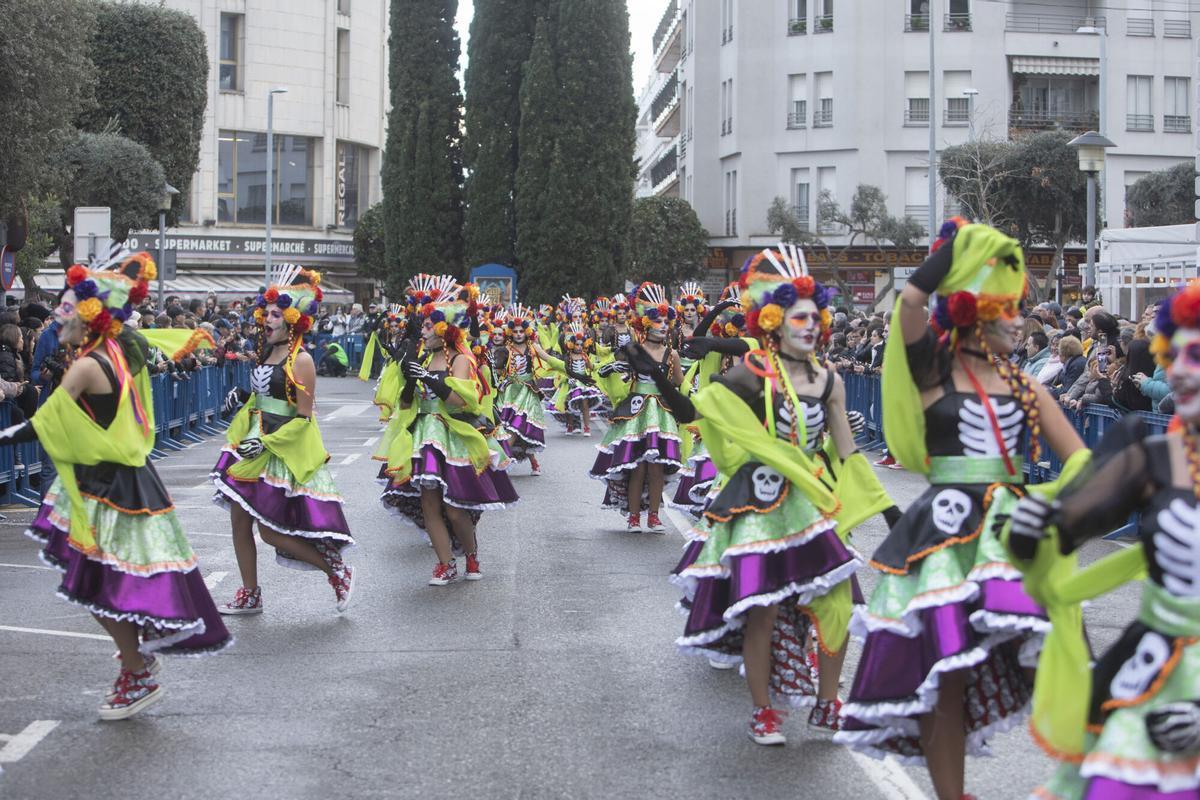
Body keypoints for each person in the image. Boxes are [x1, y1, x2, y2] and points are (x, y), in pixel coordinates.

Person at [836, 220, 1085, 800]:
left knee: (1051, 655)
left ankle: (1079, 775)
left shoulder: (1027, 387)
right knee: (944, 672)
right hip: (944, 531)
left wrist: (1047, 506)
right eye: (1010, 308)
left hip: (1013, 531)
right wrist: (953, 255)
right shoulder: (932, 371)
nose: (1022, 321)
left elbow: (1081, 463)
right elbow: (912, 304)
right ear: (975, 309)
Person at [651, 245, 892, 743]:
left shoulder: (829, 380)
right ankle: (762, 710)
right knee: (760, 606)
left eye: (815, 317)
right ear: (776, 322)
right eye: (797, 317)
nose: (809, 326)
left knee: (838, 601)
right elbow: (703, 413)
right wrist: (663, 381)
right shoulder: (752, 373)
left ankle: (829, 702)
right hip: (760, 505)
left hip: (811, 504)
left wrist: (888, 510)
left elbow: (846, 453)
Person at [17, 252, 231, 719]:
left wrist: (9, 434)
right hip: (123, 481)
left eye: (68, 306)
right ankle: (136, 663)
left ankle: (136, 669)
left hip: (108, 487)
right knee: (102, 582)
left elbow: (42, 423)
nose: (59, 314)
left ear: (92, 314)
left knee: (97, 584)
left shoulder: (88, 365)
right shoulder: (119, 351)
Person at [1007, 280, 1200, 799]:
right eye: (1173, 354)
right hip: (1155, 670)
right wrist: (1032, 530)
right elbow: (1063, 531)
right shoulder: (1152, 459)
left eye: (1196, 355)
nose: (1178, 370)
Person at [214, 265, 356, 615]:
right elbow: (263, 397)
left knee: (271, 531)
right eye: (266, 313)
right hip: (254, 439)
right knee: (238, 518)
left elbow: (303, 417)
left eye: (275, 315)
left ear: (291, 320)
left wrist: (266, 443)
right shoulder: (268, 352)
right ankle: (250, 593)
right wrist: (241, 397)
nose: (266, 320)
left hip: (279, 447)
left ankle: (336, 570)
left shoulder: (302, 359)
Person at [376, 274, 518, 585]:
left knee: (454, 508)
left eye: (428, 326)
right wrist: (409, 378)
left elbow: (462, 402)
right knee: (429, 501)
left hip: (452, 435)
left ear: (444, 330)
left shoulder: (461, 360)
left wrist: (430, 381)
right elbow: (405, 403)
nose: (422, 330)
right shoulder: (423, 357)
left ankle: (470, 554)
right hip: (422, 434)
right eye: (423, 324)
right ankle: (444, 563)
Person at [588, 282, 685, 533]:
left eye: (666, 320)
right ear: (645, 322)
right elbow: (614, 378)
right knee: (637, 467)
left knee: (656, 468)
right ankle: (633, 517)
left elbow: (679, 386)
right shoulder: (634, 350)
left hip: (661, 415)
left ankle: (653, 516)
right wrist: (610, 371)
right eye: (657, 320)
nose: (663, 325)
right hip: (635, 413)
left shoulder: (671, 355)